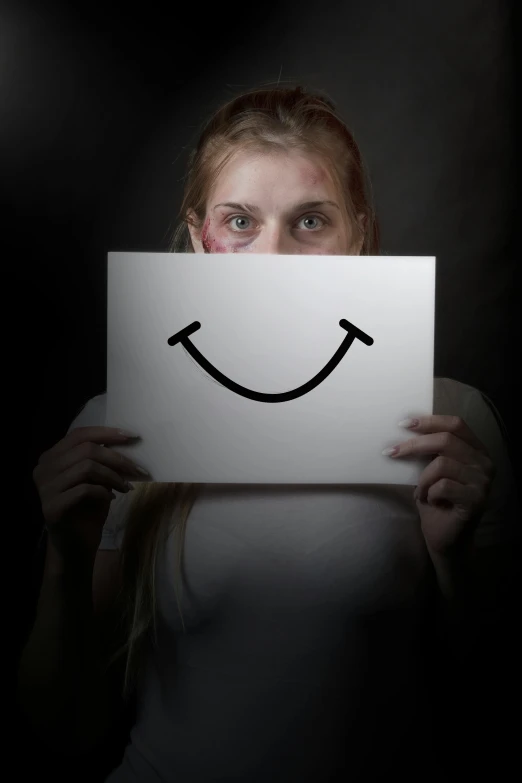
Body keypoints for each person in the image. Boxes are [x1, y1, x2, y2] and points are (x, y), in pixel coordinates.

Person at [18, 85, 517, 782]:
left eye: (311, 221)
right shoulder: (120, 429)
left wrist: (457, 563)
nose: (274, 255)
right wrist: (65, 559)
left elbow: (496, 716)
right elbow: (66, 728)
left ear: (360, 237)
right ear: (200, 239)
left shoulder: (448, 427)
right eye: (241, 221)